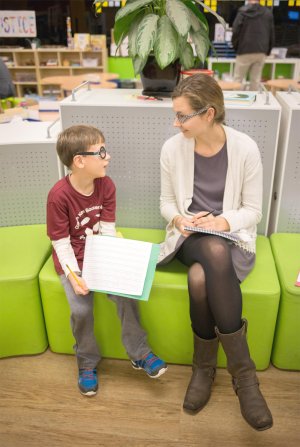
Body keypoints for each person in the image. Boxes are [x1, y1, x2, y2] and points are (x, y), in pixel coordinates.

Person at [158, 74, 273, 431]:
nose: (176, 124)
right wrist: (180, 218)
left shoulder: (245, 148)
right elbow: (165, 203)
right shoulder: (172, 148)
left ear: (208, 114)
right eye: (175, 116)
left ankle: (204, 369)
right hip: (188, 238)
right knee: (209, 253)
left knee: (200, 276)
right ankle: (245, 377)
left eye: (182, 116)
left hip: (231, 238)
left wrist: (221, 222)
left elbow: (253, 211)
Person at [47, 124, 167, 397]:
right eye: (101, 151)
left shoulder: (107, 185)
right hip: (72, 258)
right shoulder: (58, 196)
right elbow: (61, 243)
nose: (107, 156)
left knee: (127, 292)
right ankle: (87, 363)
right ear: (79, 161)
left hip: (101, 250)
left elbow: (109, 228)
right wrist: (75, 276)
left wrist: (115, 260)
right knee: (80, 310)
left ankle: (139, 353)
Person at [232, 0, 275, 90]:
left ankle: (235, 103)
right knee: (255, 80)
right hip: (261, 51)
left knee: (238, 80)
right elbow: (272, 34)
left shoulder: (242, 12)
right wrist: (268, 51)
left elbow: (235, 31)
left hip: (244, 50)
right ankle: (254, 102)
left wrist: (236, 47)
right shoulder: (267, 13)